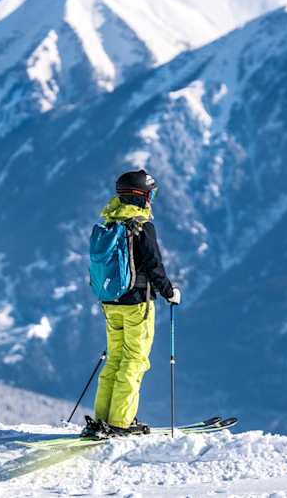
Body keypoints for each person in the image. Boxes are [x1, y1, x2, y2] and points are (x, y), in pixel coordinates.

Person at [83, 169, 180, 438]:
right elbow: (153, 264)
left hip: (111, 302)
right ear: (141, 196)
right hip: (137, 303)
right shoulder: (141, 225)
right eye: (150, 194)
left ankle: (103, 418)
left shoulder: (109, 222)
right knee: (134, 361)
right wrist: (169, 291)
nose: (151, 200)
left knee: (114, 359)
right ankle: (120, 422)